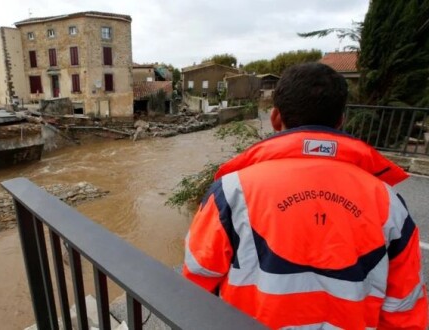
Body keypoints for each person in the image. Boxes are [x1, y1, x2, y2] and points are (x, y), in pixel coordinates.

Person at [183, 63, 427, 329]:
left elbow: (194, 285)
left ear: (275, 118)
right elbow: (404, 310)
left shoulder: (232, 192)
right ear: (340, 120)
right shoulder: (389, 203)